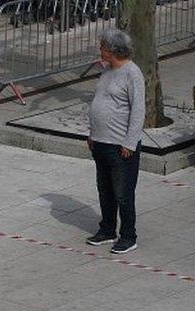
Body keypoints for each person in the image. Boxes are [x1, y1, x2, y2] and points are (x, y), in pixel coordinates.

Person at [86, 28, 145, 254]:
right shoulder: (107, 70)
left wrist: (130, 143)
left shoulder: (132, 73)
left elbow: (138, 110)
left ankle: (128, 236)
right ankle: (107, 229)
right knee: (105, 189)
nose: (100, 50)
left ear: (113, 50)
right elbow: (99, 101)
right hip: (100, 142)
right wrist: (91, 133)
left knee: (123, 192)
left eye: (102, 47)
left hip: (120, 146)